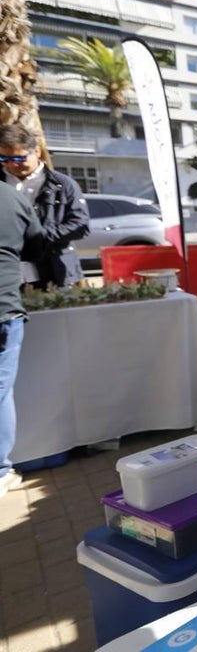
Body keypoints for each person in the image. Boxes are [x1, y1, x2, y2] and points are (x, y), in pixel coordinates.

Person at [0, 124, 88, 289]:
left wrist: (38, 237)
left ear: (37, 152)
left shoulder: (62, 185)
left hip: (54, 270)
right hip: (8, 273)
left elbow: (80, 225)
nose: (12, 165)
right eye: (4, 159)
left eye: (20, 158)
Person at [0, 179, 44, 498]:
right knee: (1, 389)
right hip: (4, 308)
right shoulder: (11, 198)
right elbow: (35, 245)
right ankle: (1, 470)